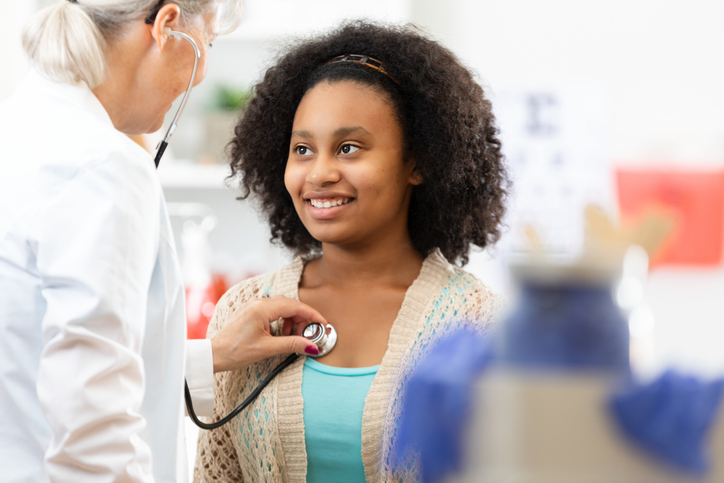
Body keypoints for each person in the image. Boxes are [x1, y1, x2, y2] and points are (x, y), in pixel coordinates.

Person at [0, 1, 327, 482]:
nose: (197, 79)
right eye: (210, 42)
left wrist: (210, 355)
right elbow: (92, 432)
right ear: (168, 26)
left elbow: (38, 357)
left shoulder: (22, 128)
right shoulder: (102, 165)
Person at [194, 21, 509, 482]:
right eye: (302, 149)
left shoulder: (479, 323)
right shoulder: (243, 311)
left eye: (348, 147)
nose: (319, 172)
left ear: (417, 162)